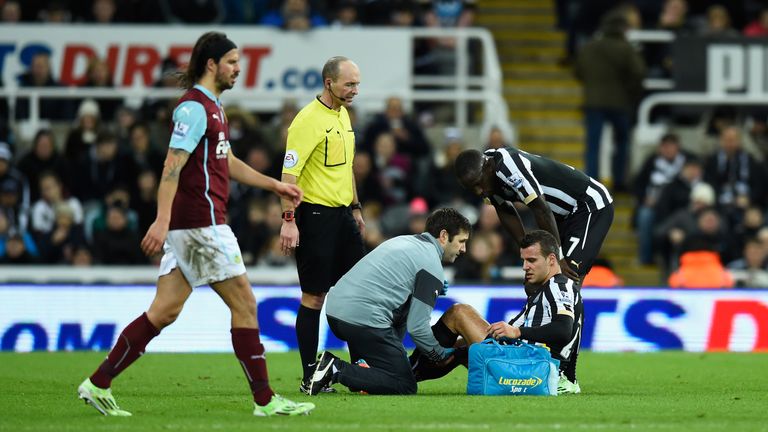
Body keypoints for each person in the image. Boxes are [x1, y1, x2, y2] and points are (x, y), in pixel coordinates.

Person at [76, 31, 314, 417]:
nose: (239, 68)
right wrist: (162, 220)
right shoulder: (194, 108)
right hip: (201, 223)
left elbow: (226, 161)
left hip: (193, 225)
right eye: (233, 62)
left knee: (164, 311)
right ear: (212, 64)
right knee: (246, 304)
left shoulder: (214, 107)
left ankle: (98, 383)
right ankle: (266, 401)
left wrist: (273, 184)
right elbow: (171, 167)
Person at [455, 146, 614, 393]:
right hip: (563, 215)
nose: (479, 191)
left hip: (589, 207)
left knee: (567, 285)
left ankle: (567, 377)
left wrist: (556, 258)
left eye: (478, 184)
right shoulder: (486, 176)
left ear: (487, 167)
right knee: (542, 284)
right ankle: (545, 364)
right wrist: (527, 251)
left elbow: (540, 208)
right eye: (472, 189)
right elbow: (505, 211)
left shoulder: (509, 167)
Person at [306, 208, 471, 395]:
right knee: (404, 385)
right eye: (462, 241)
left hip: (337, 311)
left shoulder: (404, 241)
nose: (464, 249)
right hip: (362, 318)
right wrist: (440, 354)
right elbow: (417, 327)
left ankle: (362, 372)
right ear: (443, 236)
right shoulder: (431, 263)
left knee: (379, 374)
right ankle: (334, 368)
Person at [279, 56, 366, 394]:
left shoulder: (343, 114)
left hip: (343, 215)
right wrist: (289, 221)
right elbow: (289, 175)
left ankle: (362, 373)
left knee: (358, 296)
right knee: (314, 297)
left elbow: (346, 170)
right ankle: (309, 377)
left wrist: (355, 207)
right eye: (350, 84)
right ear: (329, 83)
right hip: (314, 217)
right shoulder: (306, 121)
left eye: (357, 83)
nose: (355, 90)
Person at [409, 230, 581, 395]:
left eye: (531, 260)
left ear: (552, 259)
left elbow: (563, 331)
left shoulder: (559, 286)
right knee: (459, 348)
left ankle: (407, 372)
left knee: (459, 313)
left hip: (532, 368)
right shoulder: (548, 289)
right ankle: (408, 376)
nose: (525, 267)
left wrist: (517, 332)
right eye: (523, 260)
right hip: (530, 365)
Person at [573, 9, 645, 190]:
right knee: (621, 142)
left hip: (593, 103)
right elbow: (639, 73)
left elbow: (578, 71)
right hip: (619, 103)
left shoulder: (589, 46)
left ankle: (591, 181)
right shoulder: (625, 48)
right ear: (622, 28)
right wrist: (630, 91)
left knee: (593, 144)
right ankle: (619, 181)